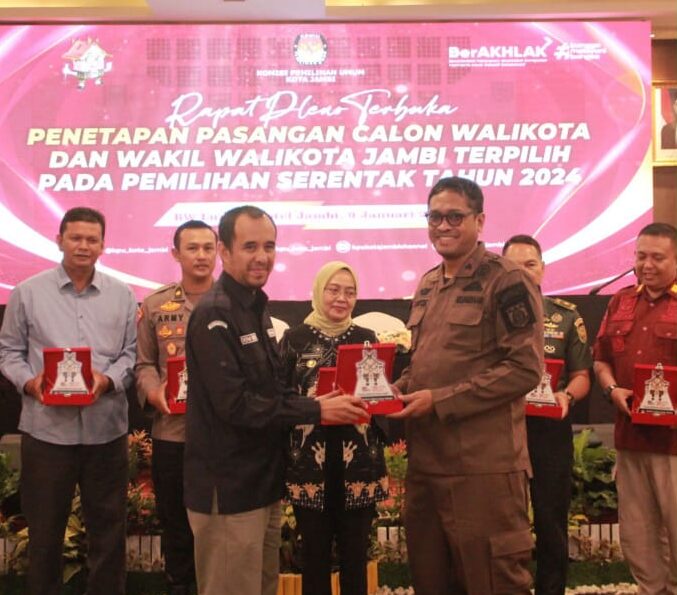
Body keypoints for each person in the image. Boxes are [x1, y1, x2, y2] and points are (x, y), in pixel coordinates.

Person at [183, 205, 369, 595]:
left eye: (269, 246)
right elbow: (236, 405)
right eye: (250, 246)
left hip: (262, 485)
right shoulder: (215, 313)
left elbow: (272, 390)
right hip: (230, 490)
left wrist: (321, 400)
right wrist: (317, 408)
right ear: (224, 250)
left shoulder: (255, 308)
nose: (262, 256)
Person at [389, 176, 544, 595]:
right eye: (435, 217)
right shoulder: (428, 283)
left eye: (455, 217)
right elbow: (425, 365)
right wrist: (392, 392)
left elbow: (524, 369)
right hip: (426, 465)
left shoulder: (507, 280)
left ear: (480, 220)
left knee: (494, 583)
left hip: (483, 470)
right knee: (431, 583)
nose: (443, 226)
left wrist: (440, 401)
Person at [0, 207, 137, 595]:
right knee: (44, 535)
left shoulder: (123, 294)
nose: (83, 246)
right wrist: (30, 383)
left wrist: (107, 380)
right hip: (46, 433)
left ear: (103, 246)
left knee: (109, 534)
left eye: (92, 239)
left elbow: (131, 355)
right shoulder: (28, 292)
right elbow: (8, 351)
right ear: (59, 240)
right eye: (75, 238)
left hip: (106, 431)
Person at [279, 261, 388, 595]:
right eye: (334, 290)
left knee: (356, 556)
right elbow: (279, 400)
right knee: (314, 557)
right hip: (309, 466)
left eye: (350, 292)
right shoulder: (294, 339)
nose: (342, 298)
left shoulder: (367, 339)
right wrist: (313, 404)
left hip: (359, 463)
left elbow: (380, 397)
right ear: (318, 291)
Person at [503, 234, 592, 595]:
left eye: (531, 264)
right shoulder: (485, 316)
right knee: (503, 522)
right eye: (514, 266)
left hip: (549, 431)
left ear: (543, 268)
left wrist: (566, 395)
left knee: (550, 519)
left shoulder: (565, 316)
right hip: (500, 429)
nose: (524, 272)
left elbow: (582, 375)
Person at [593, 222, 677, 594]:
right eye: (641, 256)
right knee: (638, 533)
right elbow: (601, 359)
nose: (647, 265)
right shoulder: (621, 301)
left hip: (673, 444)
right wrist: (612, 389)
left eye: (657, 257)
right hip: (631, 438)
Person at [135, 220, 217, 595]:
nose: (201, 255)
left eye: (208, 248)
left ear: (219, 252)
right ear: (176, 254)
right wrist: (154, 392)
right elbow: (143, 364)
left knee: (220, 526)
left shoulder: (236, 302)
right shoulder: (155, 305)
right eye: (192, 248)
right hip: (172, 435)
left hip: (223, 437)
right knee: (176, 524)